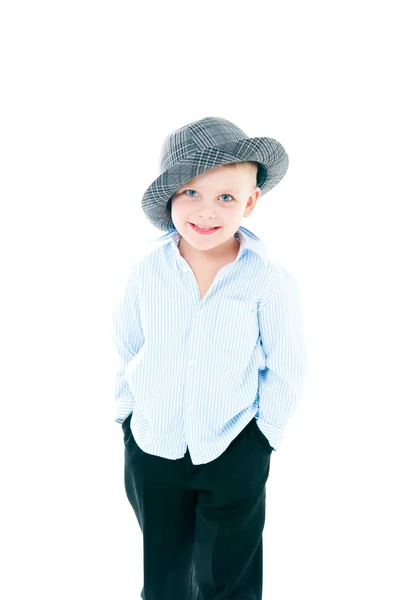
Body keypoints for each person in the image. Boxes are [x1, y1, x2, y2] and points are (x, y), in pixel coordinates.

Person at [111, 116, 308, 599]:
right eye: (191, 194)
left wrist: (263, 437)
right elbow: (126, 345)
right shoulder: (146, 272)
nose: (206, 211)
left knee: (229, 573)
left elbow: (286, 365)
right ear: (170, 199)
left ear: (251, 201)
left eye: (225, 197)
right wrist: (126, 418)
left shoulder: (267, 279)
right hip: (154, 443)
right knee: (165, 570)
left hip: (233, 442)